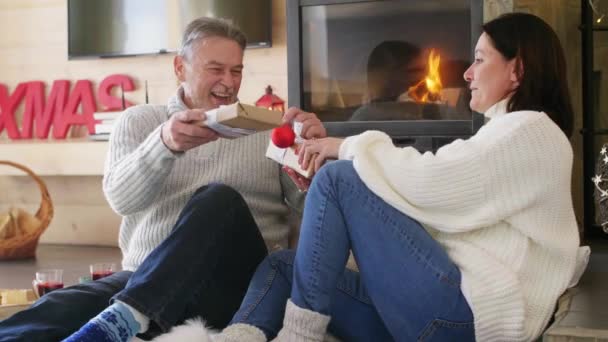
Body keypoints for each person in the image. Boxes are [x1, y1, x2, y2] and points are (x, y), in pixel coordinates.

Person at [165, 12, 590, 342]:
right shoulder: (504, 132)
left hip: (464, 318)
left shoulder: (532, 130)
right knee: (281, 266)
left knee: (340, 179)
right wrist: (337, 200)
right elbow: (428, 202)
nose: (466, 72)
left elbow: (435, 184)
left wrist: (344, 147)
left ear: (517, 70)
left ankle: (299, 336)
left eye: (479, 59)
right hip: (429, 312)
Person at [0, 17, 326, 342]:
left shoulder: (267, 129)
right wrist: (164, 145)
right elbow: (120, 199)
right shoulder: (140, 122)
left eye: (236, 70)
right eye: (216, 69)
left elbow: (317, 214)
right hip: (147, 282)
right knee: (60, 307)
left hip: (236, 286)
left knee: (218, 199)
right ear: (180, 68)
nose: (229, 82)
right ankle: (125, 318)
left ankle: (127, 316)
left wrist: (314, 164)